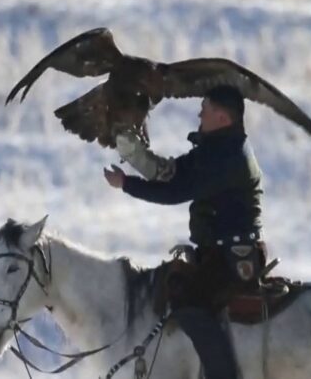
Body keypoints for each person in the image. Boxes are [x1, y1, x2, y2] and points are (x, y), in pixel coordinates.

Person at [104, 85, 265, 379]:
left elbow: (176, 192)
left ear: (221, 118)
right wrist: (138, 155)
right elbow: (174, 173)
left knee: (188, 303)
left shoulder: (229, 157)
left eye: (204, 110)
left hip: (232, 259)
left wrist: (126, 184)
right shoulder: (216, 147)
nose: (199, 115)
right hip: (217, 253)